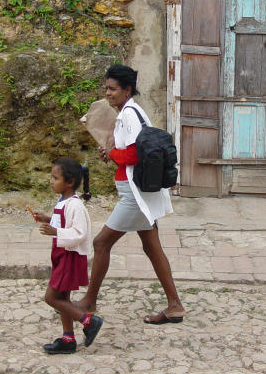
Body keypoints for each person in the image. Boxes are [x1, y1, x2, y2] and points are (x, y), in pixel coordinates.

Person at [77, 64, 186, 324]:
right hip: (139, 194)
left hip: (135, 197)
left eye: (113, 89)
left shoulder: (128, 115)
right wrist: (113, 153)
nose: (108, 93)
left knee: (101, 243)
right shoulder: (131, 113)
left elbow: (136, 154)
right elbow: (129, 153)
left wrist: (113, 153)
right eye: (106, 88)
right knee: (152, 247)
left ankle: (88, 302)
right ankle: (174, 305)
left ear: (127, 90)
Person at [33, 157, 103, 354]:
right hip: (61, 254)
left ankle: (88, 321)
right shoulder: (63, 201)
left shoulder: (75, 205)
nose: (51, 181)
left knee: (51, 297)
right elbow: (62, 223)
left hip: (69, 256)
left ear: (69, 182)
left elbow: (79, 233)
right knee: (63, 297)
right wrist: (47, 219)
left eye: (55, 178)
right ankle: (68, 339)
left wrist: (55, 232)